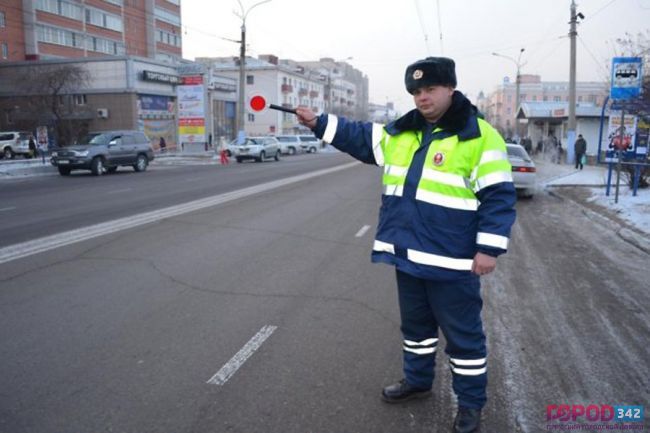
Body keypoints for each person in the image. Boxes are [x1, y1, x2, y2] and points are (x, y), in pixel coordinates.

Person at [296, 57, 516, 433]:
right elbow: (359, 136)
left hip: (452, 262)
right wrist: (318, 122)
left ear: (450, 88)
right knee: (416, 331)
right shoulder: (403, 132)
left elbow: (498, 197)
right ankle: (417, 381)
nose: (422, 97)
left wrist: (489, 248)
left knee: (464, 341)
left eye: (430, 89)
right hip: (408, 256)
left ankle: (470, 406)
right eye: (416, 91)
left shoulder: (479, 136)